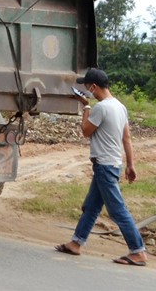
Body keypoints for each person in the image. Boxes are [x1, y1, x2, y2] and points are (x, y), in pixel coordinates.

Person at [54, 67, 148, 266]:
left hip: (104, 166)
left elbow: (86, 131)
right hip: (112, 164)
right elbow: (127, 138)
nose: (87, 90)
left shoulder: (101, 108)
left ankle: (138, 251)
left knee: (117, 210)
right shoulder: (120, 107)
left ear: (94, 87)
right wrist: (130, 165)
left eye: (87, 87)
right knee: (91, 206)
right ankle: (76, 243)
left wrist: (86, 106)